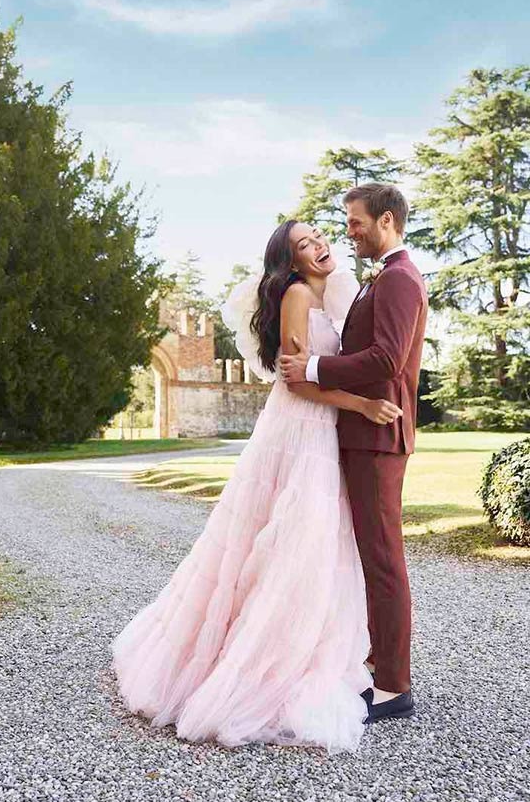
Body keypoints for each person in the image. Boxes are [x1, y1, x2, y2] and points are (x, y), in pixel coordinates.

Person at [111, 219, 402, 752]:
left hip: (320, 431)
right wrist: (362, 404)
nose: (318, 247)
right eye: (303, 246)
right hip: (300, 430)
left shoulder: (326, 292)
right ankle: (256, 661)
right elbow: (298, 380)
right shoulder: (295, 294)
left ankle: (303, 647)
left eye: (318, 236)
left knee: (303, 544)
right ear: (289, 262)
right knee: (287, 540)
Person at [279, 184, 428, 723]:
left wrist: (314, 369)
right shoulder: (385, 277)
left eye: (355, 221)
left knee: (384, 560)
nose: (348, 230)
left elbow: (386, 359)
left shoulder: (399, 279)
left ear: (385, 220)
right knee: (371, 557)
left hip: (377, 438)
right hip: (364, 436)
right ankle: (376, 665)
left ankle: (393, 685)